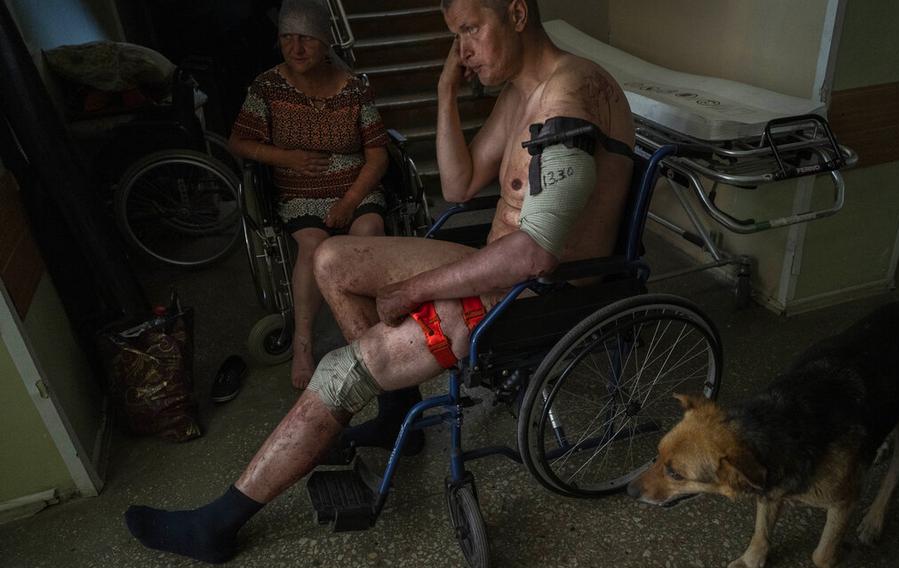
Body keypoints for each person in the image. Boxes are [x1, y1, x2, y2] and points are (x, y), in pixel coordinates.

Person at [124, 0, 636, 563]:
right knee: (332, 261)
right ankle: (398, 416)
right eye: (454, 36)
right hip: (499, 264)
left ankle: (218, 524)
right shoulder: (521, 90)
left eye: (470, 30)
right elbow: (460, 185)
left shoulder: (570, 94)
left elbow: (537, 253)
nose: (462, 50)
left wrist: (418, 290)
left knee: (340, 371)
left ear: (516, 13)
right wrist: (444, 91)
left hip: (532, 295)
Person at [227, 0, 389, 390]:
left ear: (326, 42)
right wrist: (287, 158)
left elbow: (379, 154)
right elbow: (239, 141)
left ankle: (369, 332)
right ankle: (303, 343)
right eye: (287, 39)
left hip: (357, 188)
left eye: (307, 40)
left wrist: (349, 201)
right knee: (313, 246)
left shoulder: (354, 89)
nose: (296, 49)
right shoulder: (268, 87)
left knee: (368, 233)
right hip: (300, 192)